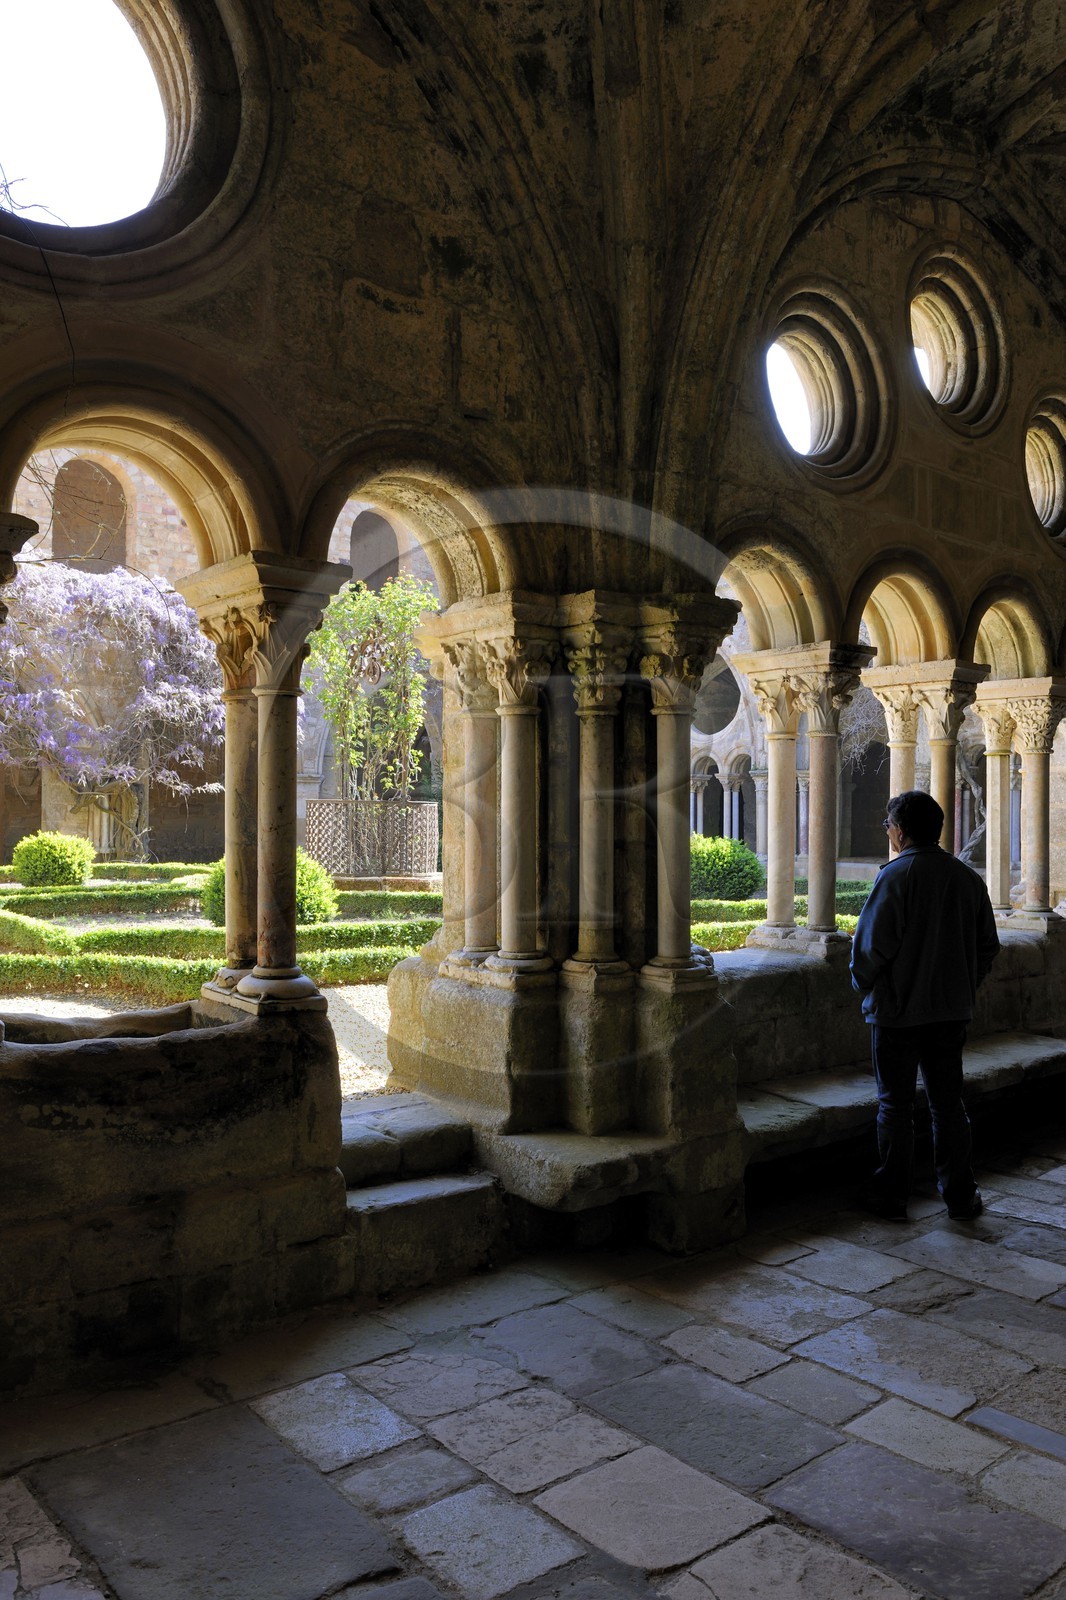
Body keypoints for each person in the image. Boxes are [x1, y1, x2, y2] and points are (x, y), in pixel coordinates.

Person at [849, 789, 1000, 1222]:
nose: (888, 832)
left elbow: (869, 951)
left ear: (900, 831)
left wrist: (865, 985)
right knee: (948, 1105)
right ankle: (960, 1196)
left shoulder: (896, 876)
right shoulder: (967, 879)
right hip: (950, 1013)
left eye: (888, 825)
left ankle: (892, 1197)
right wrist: (961, 986)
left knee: (895, 1107)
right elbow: (988, 947)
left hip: (896, 1015)